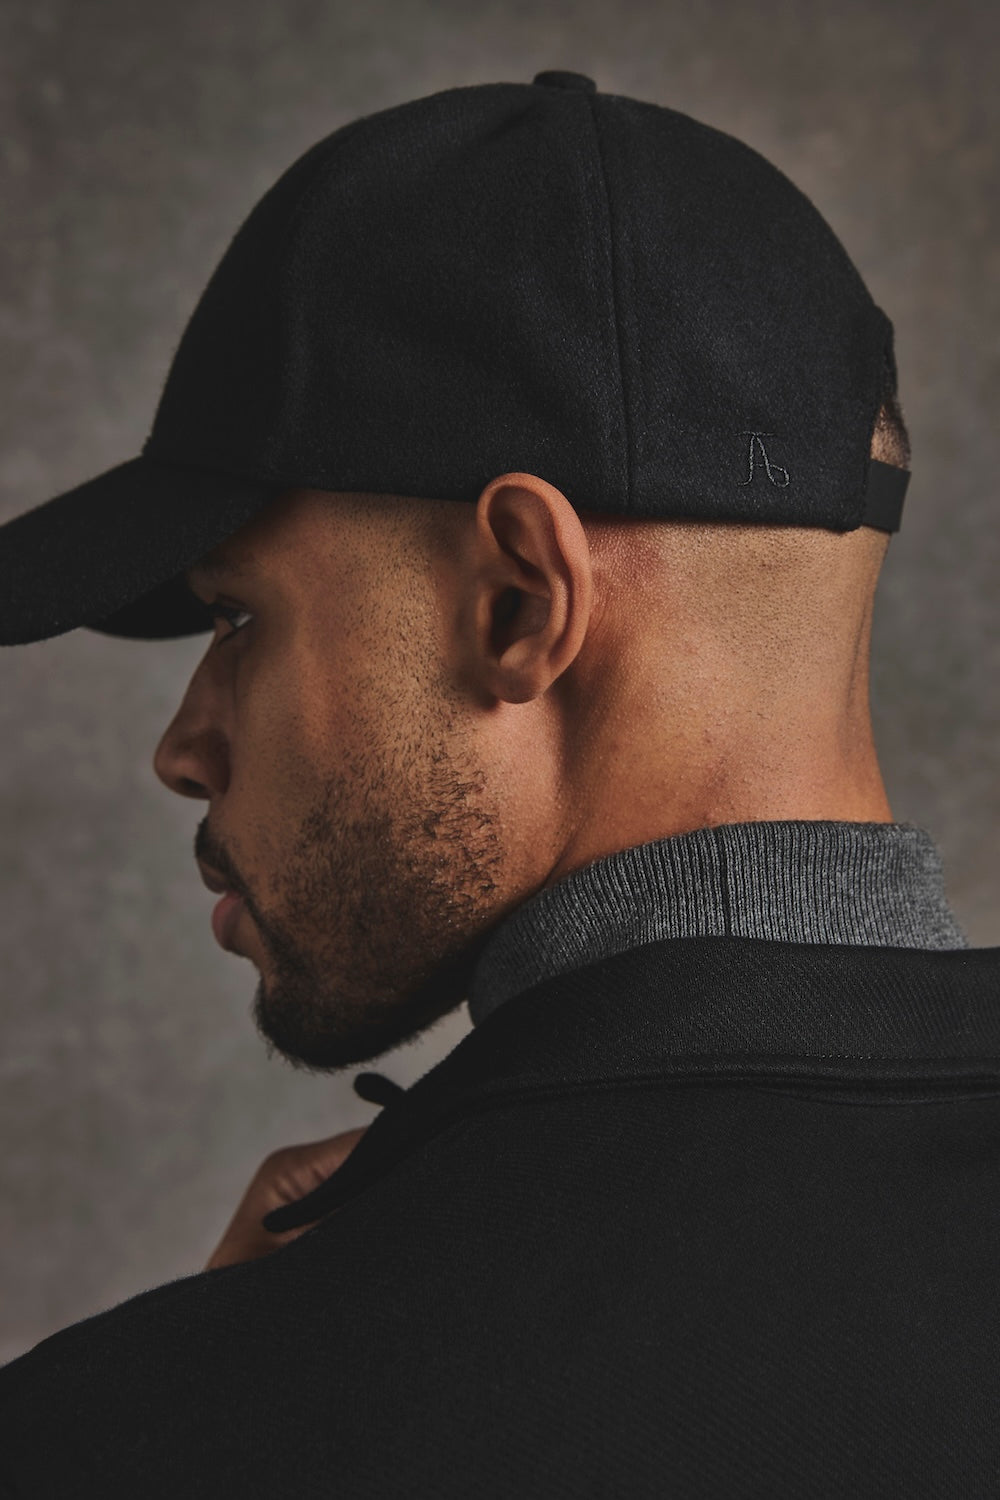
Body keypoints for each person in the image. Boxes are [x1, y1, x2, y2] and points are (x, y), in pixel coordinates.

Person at [1, 70, 997, 1498]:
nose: (183, 744)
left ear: (520, 601)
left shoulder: (149, 1432)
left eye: (235, 616)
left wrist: (212, 1393)